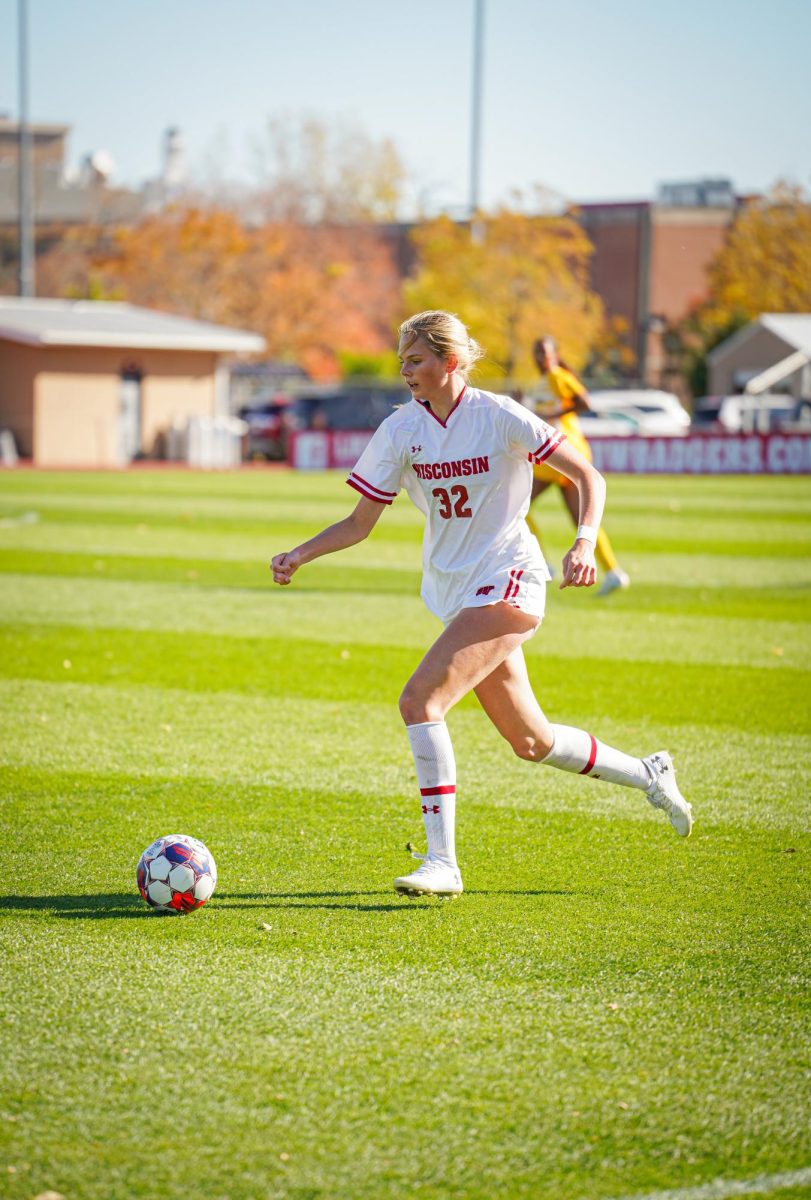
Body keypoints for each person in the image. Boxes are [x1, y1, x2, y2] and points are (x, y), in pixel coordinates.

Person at [271, 311, 692, 898]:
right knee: (532, 741)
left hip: (511, 578)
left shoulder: (498, 415)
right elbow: (360, 522)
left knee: (420, 700)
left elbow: (587, 476)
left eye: (415, 360)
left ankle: (443, 861)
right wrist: (300, 554)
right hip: (454, 592)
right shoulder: (399, 431)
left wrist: (583, 541)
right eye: (402, 361)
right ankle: (649, 774)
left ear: (449, 362)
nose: (404, 371)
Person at [527, 336, 630, 596]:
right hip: (563, 455)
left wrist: (552, 416)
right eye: (537, 353)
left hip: (559, 454)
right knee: (581, 520)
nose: (540, 357)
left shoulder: (557, 376)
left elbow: (584, 402)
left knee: (515, 505)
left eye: (544, 352)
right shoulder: (544, 380)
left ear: (554, 354)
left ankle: (541, 564)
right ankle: (614, 572)